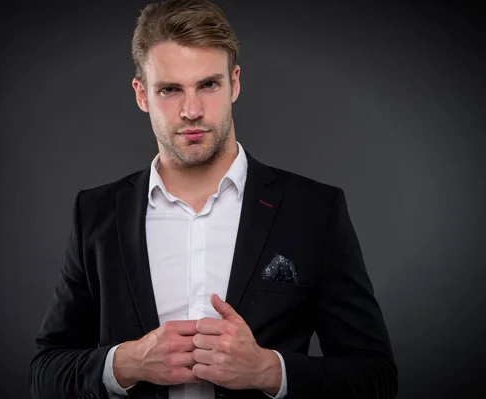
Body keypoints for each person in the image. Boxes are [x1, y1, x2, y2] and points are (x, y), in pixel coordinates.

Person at [28, 0, 398, 398]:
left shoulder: (315, 211)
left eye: (208, 85)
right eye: (170, 90)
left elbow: (375, 377)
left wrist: (268, 371)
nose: (191, 110)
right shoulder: (96, 214)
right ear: (142, 94)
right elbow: (45, 372)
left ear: (234, 83)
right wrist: (126, 363)